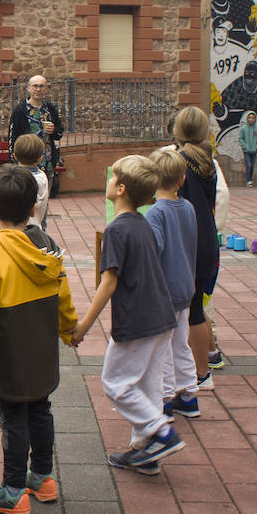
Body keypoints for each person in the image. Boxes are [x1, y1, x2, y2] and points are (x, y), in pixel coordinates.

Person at [0, 166, 77, 514]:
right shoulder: (47, 245)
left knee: (13, 417)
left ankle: (13, 490)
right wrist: (69, 328)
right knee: (41, 410)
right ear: (33, 208)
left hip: (9, 357)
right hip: (43, 351)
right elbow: (63, 293)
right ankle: (42, 478)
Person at [73, 156, 185, 475]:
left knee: (116, 384)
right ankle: (145, 453)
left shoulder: (117, 230)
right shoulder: (142, 223)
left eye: (113, 177)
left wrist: (84, 326)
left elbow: (109, 282)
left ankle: (161, 433)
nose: (108, 181)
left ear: (120, 189)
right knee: (149, 387)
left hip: (138, 321)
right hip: (162, 318)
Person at [167, 107, 227, 388]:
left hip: (186, 240)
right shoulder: (208, 161)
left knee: (185, 311)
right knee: (198, 309)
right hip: (208, 240)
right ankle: (203, 373)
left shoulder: (178, 162)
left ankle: (191, 373)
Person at [146, 149, 200, 421]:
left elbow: (154, 249)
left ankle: (165, 398)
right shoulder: (188, 207)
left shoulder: (156, 212)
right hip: (185, 285)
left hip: (165, 291)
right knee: (181, 342)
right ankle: (189, 393)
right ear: (182, 179)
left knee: (163, 346)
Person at [7, 75, 64, 192]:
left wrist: (54, 131)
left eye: (41, 86)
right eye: (35, 86)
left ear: (46, 89)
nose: (38, 89)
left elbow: (59, 132)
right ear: (29, 88)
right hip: (26, 160)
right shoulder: (20, 110)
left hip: (47, 160)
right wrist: (14, 159)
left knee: (44, 195)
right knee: (26, 194)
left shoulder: (50, 109)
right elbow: (12, 136)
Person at [10, 133, 51, 231]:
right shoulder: (42, 176)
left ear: (15, 156)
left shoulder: (18, 179)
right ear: (40, 158)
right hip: (38, 227)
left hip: (20, 229)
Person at [238, 110, 257, 186]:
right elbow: (240, 138)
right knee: (248, 165)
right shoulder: (243, 129)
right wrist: (244, 146)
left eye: (253, 118)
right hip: (246, 150)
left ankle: (250, 179)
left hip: (254, 150)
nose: (251, 119)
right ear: (247, 119)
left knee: (252, 166)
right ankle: (249, 181)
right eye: (250, 118)